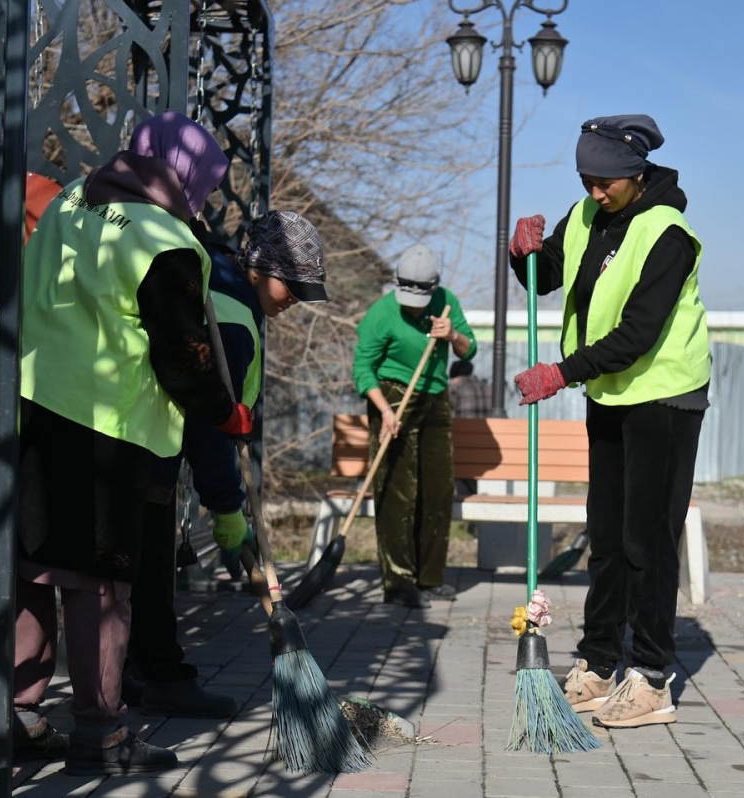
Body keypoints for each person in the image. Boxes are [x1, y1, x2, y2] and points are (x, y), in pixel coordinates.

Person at [0, 113, 251, 774]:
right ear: (190, 182)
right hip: (98, 428)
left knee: (26, 566)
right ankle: (101, 733)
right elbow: (185, 356)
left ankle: (19, 716)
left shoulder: (72, 198)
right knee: (98, 587)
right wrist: (222, 411)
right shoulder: (166, 240)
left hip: (15, 404)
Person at [509, 114, 709, 729]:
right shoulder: (588, 214)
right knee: (607, 536)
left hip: (665, 396)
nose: (595, 191)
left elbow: (638, 335)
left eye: (607, 182)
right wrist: (522, 254)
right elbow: (548, 278)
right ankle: (598, 663)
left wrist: (561, 372)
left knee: (646, 540)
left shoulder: (668, 235)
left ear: (636, 172)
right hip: (613, 394)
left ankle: (651, 677)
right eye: (587, 179)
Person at [125, 214, 327, 717]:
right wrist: (227, 509)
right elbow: (213, 425)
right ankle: (151, 676)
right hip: (143, 440)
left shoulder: (221, 282)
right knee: (143, 567)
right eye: (292, 287)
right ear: (258, 268)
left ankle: (139, 673)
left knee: (141, 565)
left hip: (138, 437)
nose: (293, 301)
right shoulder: (233, 318)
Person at [352, 244, 477, 608]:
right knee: (398, 491)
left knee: (437, 491)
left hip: (434, 397)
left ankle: (429, 578)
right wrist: (384, 413)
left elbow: (469, 350)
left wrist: (452, 335)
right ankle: (398, 582)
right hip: (390, 395)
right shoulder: (381, 314)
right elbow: (363, 369)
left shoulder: (446, 302)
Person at [447, 360, 491, 499]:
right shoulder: (485, 386)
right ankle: (470, 494)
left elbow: (445, 410)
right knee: (468, 462)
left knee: (458, 459)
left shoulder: (455, 388)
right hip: (485, 445)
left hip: (464, 444)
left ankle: (465, 498)